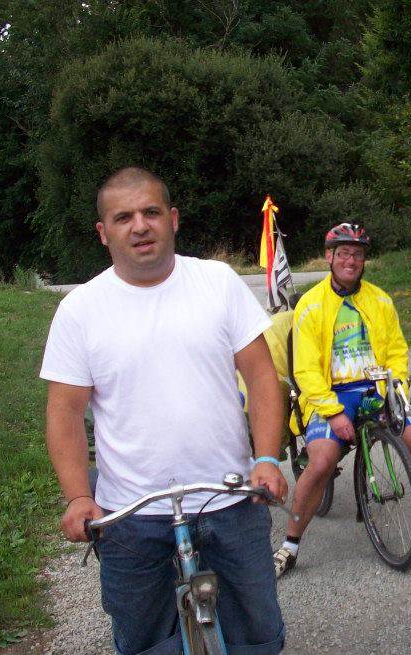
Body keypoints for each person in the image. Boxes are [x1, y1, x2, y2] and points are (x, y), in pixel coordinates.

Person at [41, 166, 287, 654]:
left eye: (151, 212)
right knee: (144, 641)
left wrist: (267, 459)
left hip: (230, 497)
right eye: (123, 217)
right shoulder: (80, 310)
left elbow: (261, 377)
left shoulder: (216, 282)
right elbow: (65, 414)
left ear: (172, 219)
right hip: (131, 514)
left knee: (258, 637)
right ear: (103, 233)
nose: (140, 226)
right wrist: (76, 497)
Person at [272, 223, 411, 577]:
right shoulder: (310, 306)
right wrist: (333, 412)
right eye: (343, 253)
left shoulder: (380, 300)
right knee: (323, 460)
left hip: (377, 387)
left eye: (357, 254)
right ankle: (290, 545)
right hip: (333, 393)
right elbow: (306, 370)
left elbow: (396, 352)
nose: (351, 260)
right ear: (329, 257)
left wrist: (397, 387)